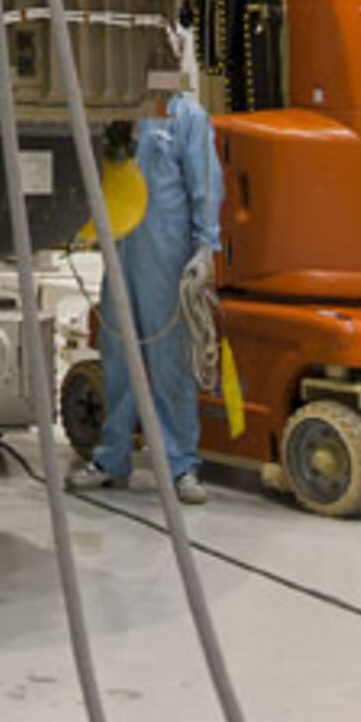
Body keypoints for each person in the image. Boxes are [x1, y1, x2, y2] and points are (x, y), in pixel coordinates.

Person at [70, 86, 224, 503]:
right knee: (118, 354)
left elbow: (205, 184)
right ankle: (111, 456)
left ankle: (180, 465)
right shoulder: (113, 111)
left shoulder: (185, 117)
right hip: (120, 251)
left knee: (168, 357)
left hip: (166, 255)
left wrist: (206, 246)